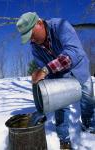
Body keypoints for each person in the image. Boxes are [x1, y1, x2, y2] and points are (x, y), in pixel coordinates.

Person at [16, 12, 95, 149]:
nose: (32, 40)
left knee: (88, 98)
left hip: (78, 67)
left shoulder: (60, 26)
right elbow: (43, 69)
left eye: (32, 35)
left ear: (39, 23)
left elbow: (72, 53)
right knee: (60, 106)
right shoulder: (35, 47)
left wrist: (45, 70)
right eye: (29, 38)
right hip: (59, 73)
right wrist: (43, 82)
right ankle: (64, 139)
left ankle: (88, 124)